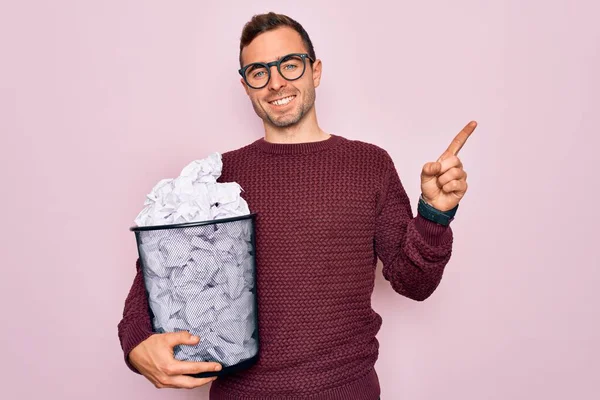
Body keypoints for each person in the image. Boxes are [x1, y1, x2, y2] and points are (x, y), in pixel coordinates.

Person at [117, 11, 476, 400]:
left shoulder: (369, 164)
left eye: (289, 65)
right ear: (246, 86)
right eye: (259, 72)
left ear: (314, 71)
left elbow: (414, 283)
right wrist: (137, 345)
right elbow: (156, 281)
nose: (275, 83)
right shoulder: (217, 178)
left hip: (346, 391)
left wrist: (434, 215)